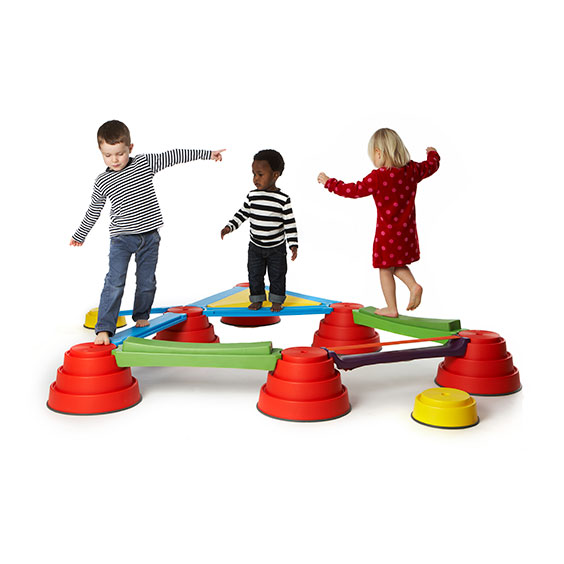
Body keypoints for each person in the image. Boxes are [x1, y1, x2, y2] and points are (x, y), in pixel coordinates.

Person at [70, 119, 225, 345]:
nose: (114, 160)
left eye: (120, 154)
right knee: (115, 282)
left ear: (130, 148)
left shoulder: (144, 163)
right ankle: (104, 328)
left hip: (150, 237)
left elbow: (174, 156)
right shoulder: (103, 180)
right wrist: (80, 234)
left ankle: (141, 315)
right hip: (122, 239)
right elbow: (94, 210)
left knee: (147, 282)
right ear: (101, 152)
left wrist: (207, 154)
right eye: (108, 155)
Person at [317, 128, 440, 317]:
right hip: (407, 233)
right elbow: (431, 166)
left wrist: (329, 183)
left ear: (379, 153)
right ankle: (413, 285)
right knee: (396, 264)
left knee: (385, 268)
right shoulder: (412, 170)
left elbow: (353, 190)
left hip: (387, 234)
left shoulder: (378, 177)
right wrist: (433, 154)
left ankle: (391, 308)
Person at [221, 149, 298, 312]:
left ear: (275, 175)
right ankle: (257, 299)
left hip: (276, 248)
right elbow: (242, 214)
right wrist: (229, 226)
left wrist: (293, 245)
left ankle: (276, 300)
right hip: (255, 246)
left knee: (277, 275)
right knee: (254, 274)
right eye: (254, 174)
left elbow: (290, 224)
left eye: (260, 174)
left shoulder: (283, 199)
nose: (255, 179)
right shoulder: (252, 196)